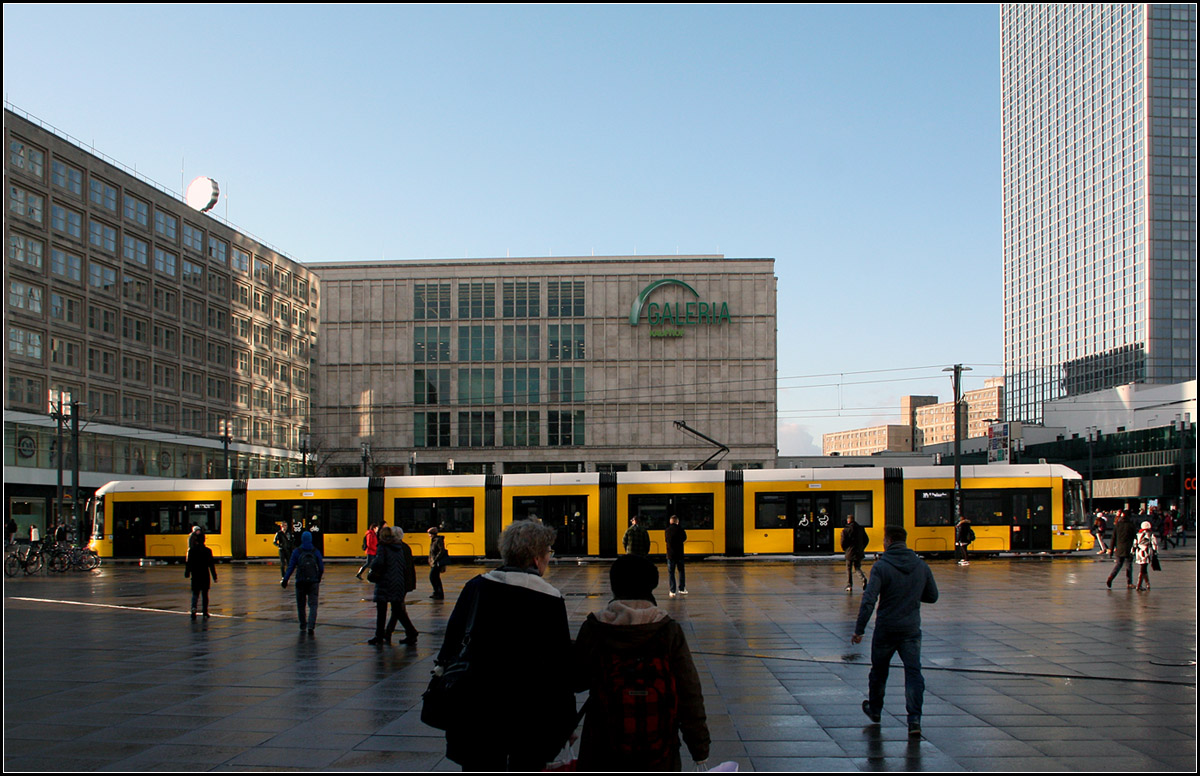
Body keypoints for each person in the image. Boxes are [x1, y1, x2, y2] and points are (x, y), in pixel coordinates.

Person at [435, 519, 575, 770]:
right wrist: (565, 723)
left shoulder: (475, 587)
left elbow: (450, 646)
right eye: (548, 553)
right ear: (536, 558)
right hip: (529, 715)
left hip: (475, 710)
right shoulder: (550, 600)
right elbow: (559, 668)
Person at [573, 554, 710, 771]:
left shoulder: (595, 627)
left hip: (602, 748)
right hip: (659, 750)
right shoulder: (668, 629)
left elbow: (577, 681)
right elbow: (689, 692)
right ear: (652, 585)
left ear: (614, 585)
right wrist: (699, 748)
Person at [852, 525, 939, 738]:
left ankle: (875, 710)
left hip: (886, 628)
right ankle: (914, 720)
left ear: (888, 541)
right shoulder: (921, 566)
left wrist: (859, 629)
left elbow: (869, 600)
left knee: (879, 671)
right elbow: (932, 596)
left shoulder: (881, 567)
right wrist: (911, 594)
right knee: (913, 673)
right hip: (910, 629)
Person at [368, 526, 417, 646]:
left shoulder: (383, 547)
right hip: (398, 581)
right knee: (397, 609)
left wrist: (372, 566)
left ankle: (379, 636)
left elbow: (379, 562)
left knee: (381, 610)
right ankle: (411, 631)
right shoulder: (399, 547)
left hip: (386, 581)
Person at [281, 530, 325, 634]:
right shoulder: (315, 551)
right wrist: (318, 577)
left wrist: (285, 579)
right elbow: (321, 568)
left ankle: (302, 625)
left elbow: (291, 567)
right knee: (313, 604)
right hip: (313, 581)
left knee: (301, 605)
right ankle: (311, 625)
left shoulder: (297, 551)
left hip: (300, 581)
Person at [184, 529, 218, 619]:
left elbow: (189, 563)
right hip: (205, 575)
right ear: (204, 540)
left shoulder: (192, 551)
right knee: (205, 594)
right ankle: (205, 611)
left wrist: (187, 573)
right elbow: (211, 564)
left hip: (195, 575)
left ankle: (193, 609)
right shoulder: (208, 551)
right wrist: (214, 576)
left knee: (195, 593)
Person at [1107, 512, 1137, 590]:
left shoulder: (1118, 525)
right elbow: (1135, 537)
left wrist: (1111, 549)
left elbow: (1113, 538)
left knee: (1118, 564)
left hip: (1119, 548)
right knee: (1129, 566)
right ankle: (1129, 583)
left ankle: (1111, 577)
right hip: (1128, 548)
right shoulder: (1131, 525)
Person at [842, 515, 869, 592]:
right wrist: (862, 548)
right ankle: (863, 578)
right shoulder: (861, 529)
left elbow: (843, 541)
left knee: (848, 569)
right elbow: (866, 540)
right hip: (859, 552)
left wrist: (845, 549)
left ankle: (849, 585)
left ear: (848, 521)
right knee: (857, 568)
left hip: (849, 552)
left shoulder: (846, 530)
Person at [664, 514, 688, 597]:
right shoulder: (681, 529)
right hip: (679, 554)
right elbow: (684, 538)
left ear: (670, 521)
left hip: (670, 555)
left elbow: (666, 540)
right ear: (677, 521)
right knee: (681, 571)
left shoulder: (667, 530)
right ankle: (682, 589)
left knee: (671, 573)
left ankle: (672, 590)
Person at [1133, 521, 1159, 592]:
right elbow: (1154, 545)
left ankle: (1147, 584)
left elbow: (1134, 545)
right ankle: (1139, 585)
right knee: (1143, 569)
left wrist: (1132, 552)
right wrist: (1155, 553)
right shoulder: (1151, 535)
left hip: (1139, 553)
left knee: (1143, 568)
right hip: (1146, 553)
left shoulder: (1137, 535)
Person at [428, 526, 447, 600]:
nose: (428, 535)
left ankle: (438, 593)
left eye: (429, 534)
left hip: (436, 562)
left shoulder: (438, 540)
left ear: (432, 534)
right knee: (435, 578)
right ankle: (437, 593)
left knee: (432, 577)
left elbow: (441, 550)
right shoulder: (434, 540)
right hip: (433, 562)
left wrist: (435, 559)